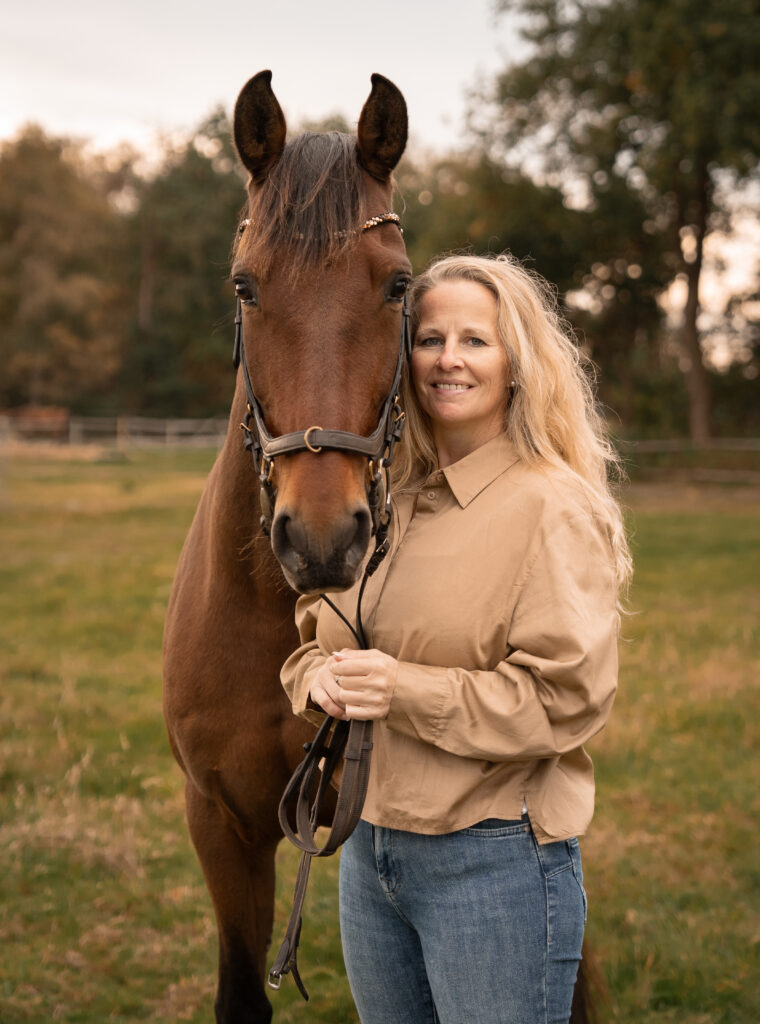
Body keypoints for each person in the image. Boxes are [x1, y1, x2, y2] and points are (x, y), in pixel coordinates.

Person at [280, 253, 632, 1024]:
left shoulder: (552, 508)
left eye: (475, 340)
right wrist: (318, 682)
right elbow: (313, 638)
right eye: (429, 337)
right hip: (369, 856)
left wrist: (402, 690)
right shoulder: (385, 502)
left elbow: (565, 700)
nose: (447, 358)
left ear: (518, 361)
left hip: (493, 860)